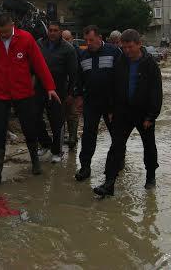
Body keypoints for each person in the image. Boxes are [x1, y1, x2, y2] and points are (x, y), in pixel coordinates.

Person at [0, 13, 60, 188]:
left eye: (6, 32)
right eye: (0, 32)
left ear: (13, 24)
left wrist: (50, 87)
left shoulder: (26, 39)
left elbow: (40, 64)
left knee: (29, 127)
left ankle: (35, 161)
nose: (3, 35)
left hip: (23, 93)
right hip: (1, 94)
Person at [94, 29, 162, 196]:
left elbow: (156, 92)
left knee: (149, 146)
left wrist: (151, 116)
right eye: (124, 47)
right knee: (116, 146)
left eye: (130, 47)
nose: (127, 51)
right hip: (122, 112)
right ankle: (109, 182)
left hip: (144, 113)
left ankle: (150, 177)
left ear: (139, 44)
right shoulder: (120, 61)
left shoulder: (150, 64)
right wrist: (110, 109)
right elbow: (111, 86)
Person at [73, 25, 122, 182]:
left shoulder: (114, 52)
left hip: (111, 102)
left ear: (99, 38)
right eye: (86, 40)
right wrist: (78, 96)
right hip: (91, 102)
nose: (88, 43)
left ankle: (118, 161)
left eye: (91, 40)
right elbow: (78, 79)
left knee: (116, 134)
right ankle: (85, 166)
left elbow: (121, 79)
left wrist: (116, 104)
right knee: (88, 134)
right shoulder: (83, 55)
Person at [35, 22, 78, 162]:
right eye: (50, 30)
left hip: (59, 89)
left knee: (56, 122)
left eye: (55, 30)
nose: (52, 33)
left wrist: (71, 94)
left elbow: (73, 74)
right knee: (34, 117)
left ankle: (57, 151)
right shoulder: (39, 44)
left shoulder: (68, 49)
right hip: (39, 88)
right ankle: (45, 143)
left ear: (60, 32)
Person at [61, 29, 81, 149]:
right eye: (63, 39)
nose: (66, 41)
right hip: (61, 88)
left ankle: (73, 137)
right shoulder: (60, 50)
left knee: (72, 114)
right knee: (61, 114)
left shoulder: (77, 52)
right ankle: (63, 137)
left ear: (72, 39)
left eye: (67, 39)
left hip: (74, 88)